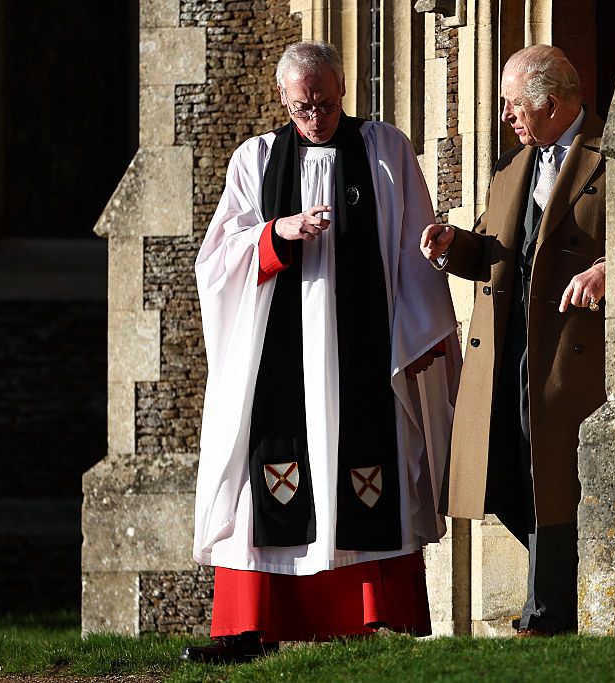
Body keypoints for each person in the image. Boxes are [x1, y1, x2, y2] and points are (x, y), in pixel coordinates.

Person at [187, 40, 459, 662]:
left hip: (367, 358)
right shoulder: (255, 160)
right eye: (303, 107)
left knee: (367, 471)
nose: (315, 118)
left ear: (343, 92)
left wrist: (420, 334)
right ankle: (249, 629)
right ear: (284, 100)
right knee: (264, 478)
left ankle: (378, 618)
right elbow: (216, 262)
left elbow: (415, 250)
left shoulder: (385, 151)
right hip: (279, 362)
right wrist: (275, 233)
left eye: (327, 105)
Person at [420, 44, 607, 636]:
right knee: (499, 468)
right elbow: (492, 250)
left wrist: (609, 270)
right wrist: (452, 245)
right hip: (507, 347)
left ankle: (546, 611)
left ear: (550, 104)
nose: (505, 116)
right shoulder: (510, 168)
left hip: (568, 352)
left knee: (550, 474)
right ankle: (564, 583)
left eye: (514, 104)